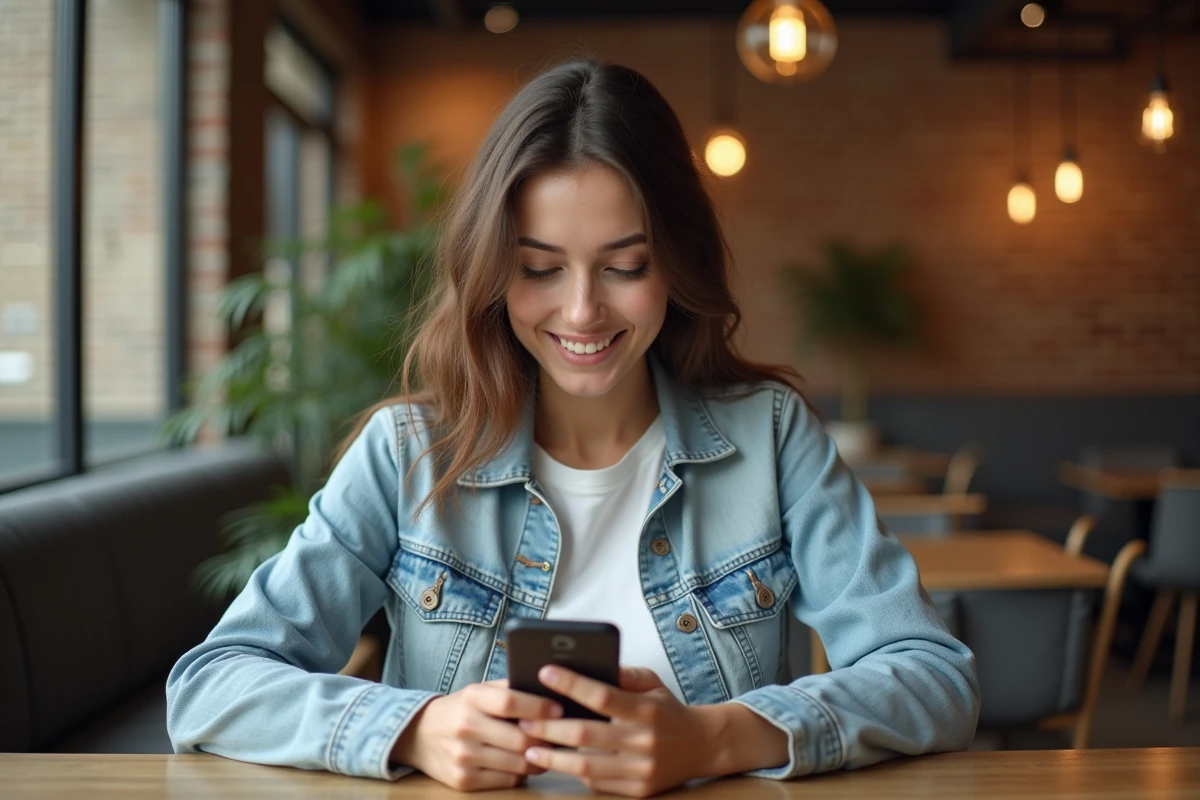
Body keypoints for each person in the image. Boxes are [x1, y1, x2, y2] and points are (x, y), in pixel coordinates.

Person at [167, 59, 979, 796]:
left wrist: (713, 738)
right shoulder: (407, 454)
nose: (583, 310)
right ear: (492, 269)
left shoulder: (771, 438)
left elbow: (934, 676)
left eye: (625, 266)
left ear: (677, 262)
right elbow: (212, 683)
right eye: (540, 268)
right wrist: (416, 728)